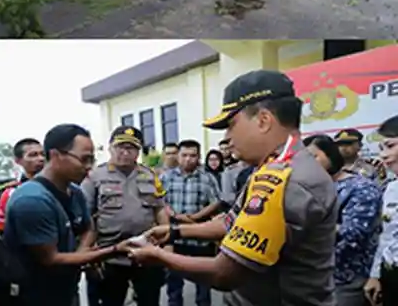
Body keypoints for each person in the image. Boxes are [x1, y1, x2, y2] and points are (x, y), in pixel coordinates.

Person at [127, 69, 337, 306]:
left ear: (263, 120)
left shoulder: (287, 179)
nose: (227, 137)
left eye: (231, 124)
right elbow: (232, 223)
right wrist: (176, 231)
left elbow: (224, 273)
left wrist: (158, 256)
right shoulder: (273, 167)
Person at [5, 123, 120, 306]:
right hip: (36, 296)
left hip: (66, 289)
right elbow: (51, 259)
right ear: (55, 155)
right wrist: (115, 250)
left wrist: (82, 251)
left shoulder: (74, 191)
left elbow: (88, 227)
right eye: (84, 159)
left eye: (92, 160)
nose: (89, 167)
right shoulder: (32, 201)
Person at [82, 126, 168, 306]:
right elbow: (86, 216)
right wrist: (87, 251)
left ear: (138, 151)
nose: (125, 152)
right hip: (110, 254)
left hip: (146, 252)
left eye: (131, 148)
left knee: (150, 300)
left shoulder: (150, 175)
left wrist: (167, 243)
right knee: (111, 301)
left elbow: (160, 209)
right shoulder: (94, 176)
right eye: (120, 147)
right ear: (110, 148)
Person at [304, 134, 382, 306]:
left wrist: (307, 229)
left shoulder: (361, 188)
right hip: (312, 278)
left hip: (346, 279)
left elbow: (354, 233)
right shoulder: (309, 189)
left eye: (313, 157)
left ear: (331, 155)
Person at [161, 139, 223, 306]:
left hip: (201, 239)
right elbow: (159, 202)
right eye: (184, 155)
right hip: (174, 238)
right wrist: (173, 214)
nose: (188, 159)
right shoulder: (166, 177)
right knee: (174, 286)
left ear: (199, 157)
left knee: (203, 287)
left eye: (193, 155)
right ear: (178, 156)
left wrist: (196, 217)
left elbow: (216, 202)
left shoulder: (207, 178)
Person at [366, 114, 398, 306]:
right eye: (381, 148)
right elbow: (386, 236)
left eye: (390, 146)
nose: (383, 155)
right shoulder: (391, 189)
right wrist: (375, 275)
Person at [0, 136, 46, 234]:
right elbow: (2, 231)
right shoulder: (11, 193)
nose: (41, 158)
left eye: (43, 154)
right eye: (33, 155)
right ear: (18, 161)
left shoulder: (59, 187)